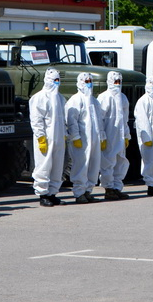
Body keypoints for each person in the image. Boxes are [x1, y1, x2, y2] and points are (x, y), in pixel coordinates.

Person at [29, 68, 67, 207]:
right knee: (44, 166)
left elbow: (63, 119)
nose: (56, 83)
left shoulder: (60, 98)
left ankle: (52, 193)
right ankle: (43, 195)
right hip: (46, 138)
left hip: (58, 138)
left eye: (58, 80)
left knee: (57, 167)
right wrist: (41, 137)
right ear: (47, 80)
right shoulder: (39, 98)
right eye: (54, 80)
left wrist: (64, 135)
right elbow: (36, 119)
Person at [66, 72, 105, 204]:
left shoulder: (94, 101)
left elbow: (99, 121)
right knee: (81, 165)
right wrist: (75, 136)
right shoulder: (75, 100)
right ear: (80, 82)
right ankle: (79, 192)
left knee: (93, 165)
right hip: (82, 140)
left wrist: (102, 137)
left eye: (90, 81)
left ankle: (88, 191)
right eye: (86, 81)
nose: (89, 83)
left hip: (94, 140)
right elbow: (72, 120)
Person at [97, 71, 131, 200]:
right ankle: (108, 188)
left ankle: (117, 187)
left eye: (119, 82)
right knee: (108, 162)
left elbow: (125, 119)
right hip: (109, 136)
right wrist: (102, 136)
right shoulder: (104, 98)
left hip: (120, 136)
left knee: (120, 162)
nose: (117, 84)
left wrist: (127, 135)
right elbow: (100, 120)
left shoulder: (123, 98)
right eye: (115, 81)